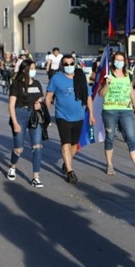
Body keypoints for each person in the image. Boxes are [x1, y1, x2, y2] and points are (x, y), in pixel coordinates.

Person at [45, 53, 95, 184]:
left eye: (71, 64)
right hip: (62, 116)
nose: (69, 66)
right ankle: (70, 172)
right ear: (62, 65)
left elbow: (89, 96)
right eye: (66, 64)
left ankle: (67, 164)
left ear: (75, 64)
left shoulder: (80, 77)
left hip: (79, 116)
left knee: (74, 145)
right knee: (65, 143)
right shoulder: (56, 78)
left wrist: (91, 114)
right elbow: (49, 97)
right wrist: (45, 114)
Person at [98, 52, 135, 179]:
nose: (119, 62)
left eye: (121, 60)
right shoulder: (107, 75)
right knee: (110, 137)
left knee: (131, 138)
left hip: (126, 111)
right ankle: (109, 164)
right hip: (110, 110)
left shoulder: (128, 75)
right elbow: (100, 94)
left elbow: (132, 92)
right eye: (117, 60)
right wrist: (106, 84)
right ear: (112, 61)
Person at [6, 60, 45, 187]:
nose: (34, 70)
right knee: (19, 148)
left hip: (34, 116)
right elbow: (11, 105)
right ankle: (12, 167)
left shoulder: (37, 83)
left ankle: (36, 177)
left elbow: (40, 97)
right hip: (20, 115)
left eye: (35, 68)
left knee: (37, 146)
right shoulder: (16, 85)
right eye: (32, 68)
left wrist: (39, 103)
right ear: (24, 70)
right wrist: (15, 123)